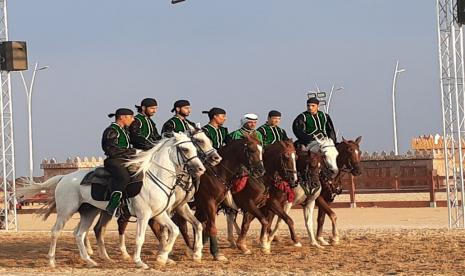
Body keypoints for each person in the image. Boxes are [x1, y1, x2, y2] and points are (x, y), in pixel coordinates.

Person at [101, 108, 136, 216]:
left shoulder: (124, 130)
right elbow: (111, 149)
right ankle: (113, 205)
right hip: (114, 161)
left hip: (125, 160)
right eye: (131, 117)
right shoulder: (111, 130)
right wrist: (133, 151)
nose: (133, 119)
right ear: (122, 117)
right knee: (124, 177)